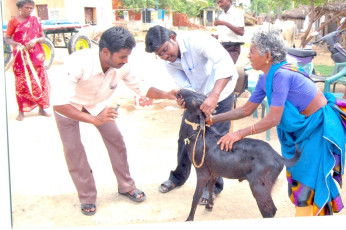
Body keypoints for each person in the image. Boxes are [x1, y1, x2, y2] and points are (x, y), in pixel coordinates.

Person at [209, 28, 345, 216]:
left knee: (308, 182)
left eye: (252, 51)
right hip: (301, 132)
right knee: (301, 178)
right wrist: (212, 118)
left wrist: (239, 133)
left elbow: (274, 119)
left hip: (317, 129)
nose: (248, 55)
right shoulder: (266, 77)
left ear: (268, 55)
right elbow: (246, 109)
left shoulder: (281, 75)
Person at [51, 26, 177, 216]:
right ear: (105, 52)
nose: (126, 62)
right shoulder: (77, 63)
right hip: (69, 107)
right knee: (74, 151)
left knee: (116, 140)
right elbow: (59, 104)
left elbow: (141, 88)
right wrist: (93, 119)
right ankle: (87, 196)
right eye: (122, 57)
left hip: (97, 105)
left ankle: (126, 186)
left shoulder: (122, 66)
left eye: (128, 57)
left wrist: (166, 94)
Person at [145, 25, 239, 205]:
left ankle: (213, 186)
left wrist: (214, 96)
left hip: (222, 90)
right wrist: (184, 99)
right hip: (199, 96)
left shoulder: (198, 40)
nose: (165, 56)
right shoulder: (168, 63)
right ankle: (178, 177)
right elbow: (185, 86)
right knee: (186, 137)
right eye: (160, 55)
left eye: (165, 50)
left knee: (215, 141)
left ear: (173, 37)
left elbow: (225, 64)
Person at [4, 0, 51, 121]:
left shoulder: (36, 20)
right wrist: (16, 44)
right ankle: (21, 111)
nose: (29, 10)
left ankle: (42, 108)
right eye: (27, 8)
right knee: (21, 82)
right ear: (20, 8)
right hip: (21, 56)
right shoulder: (13, 21)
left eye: (31, 8)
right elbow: (7, 38)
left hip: (36, 55)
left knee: (40, 81)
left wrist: (35, 40)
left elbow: (42, 36)